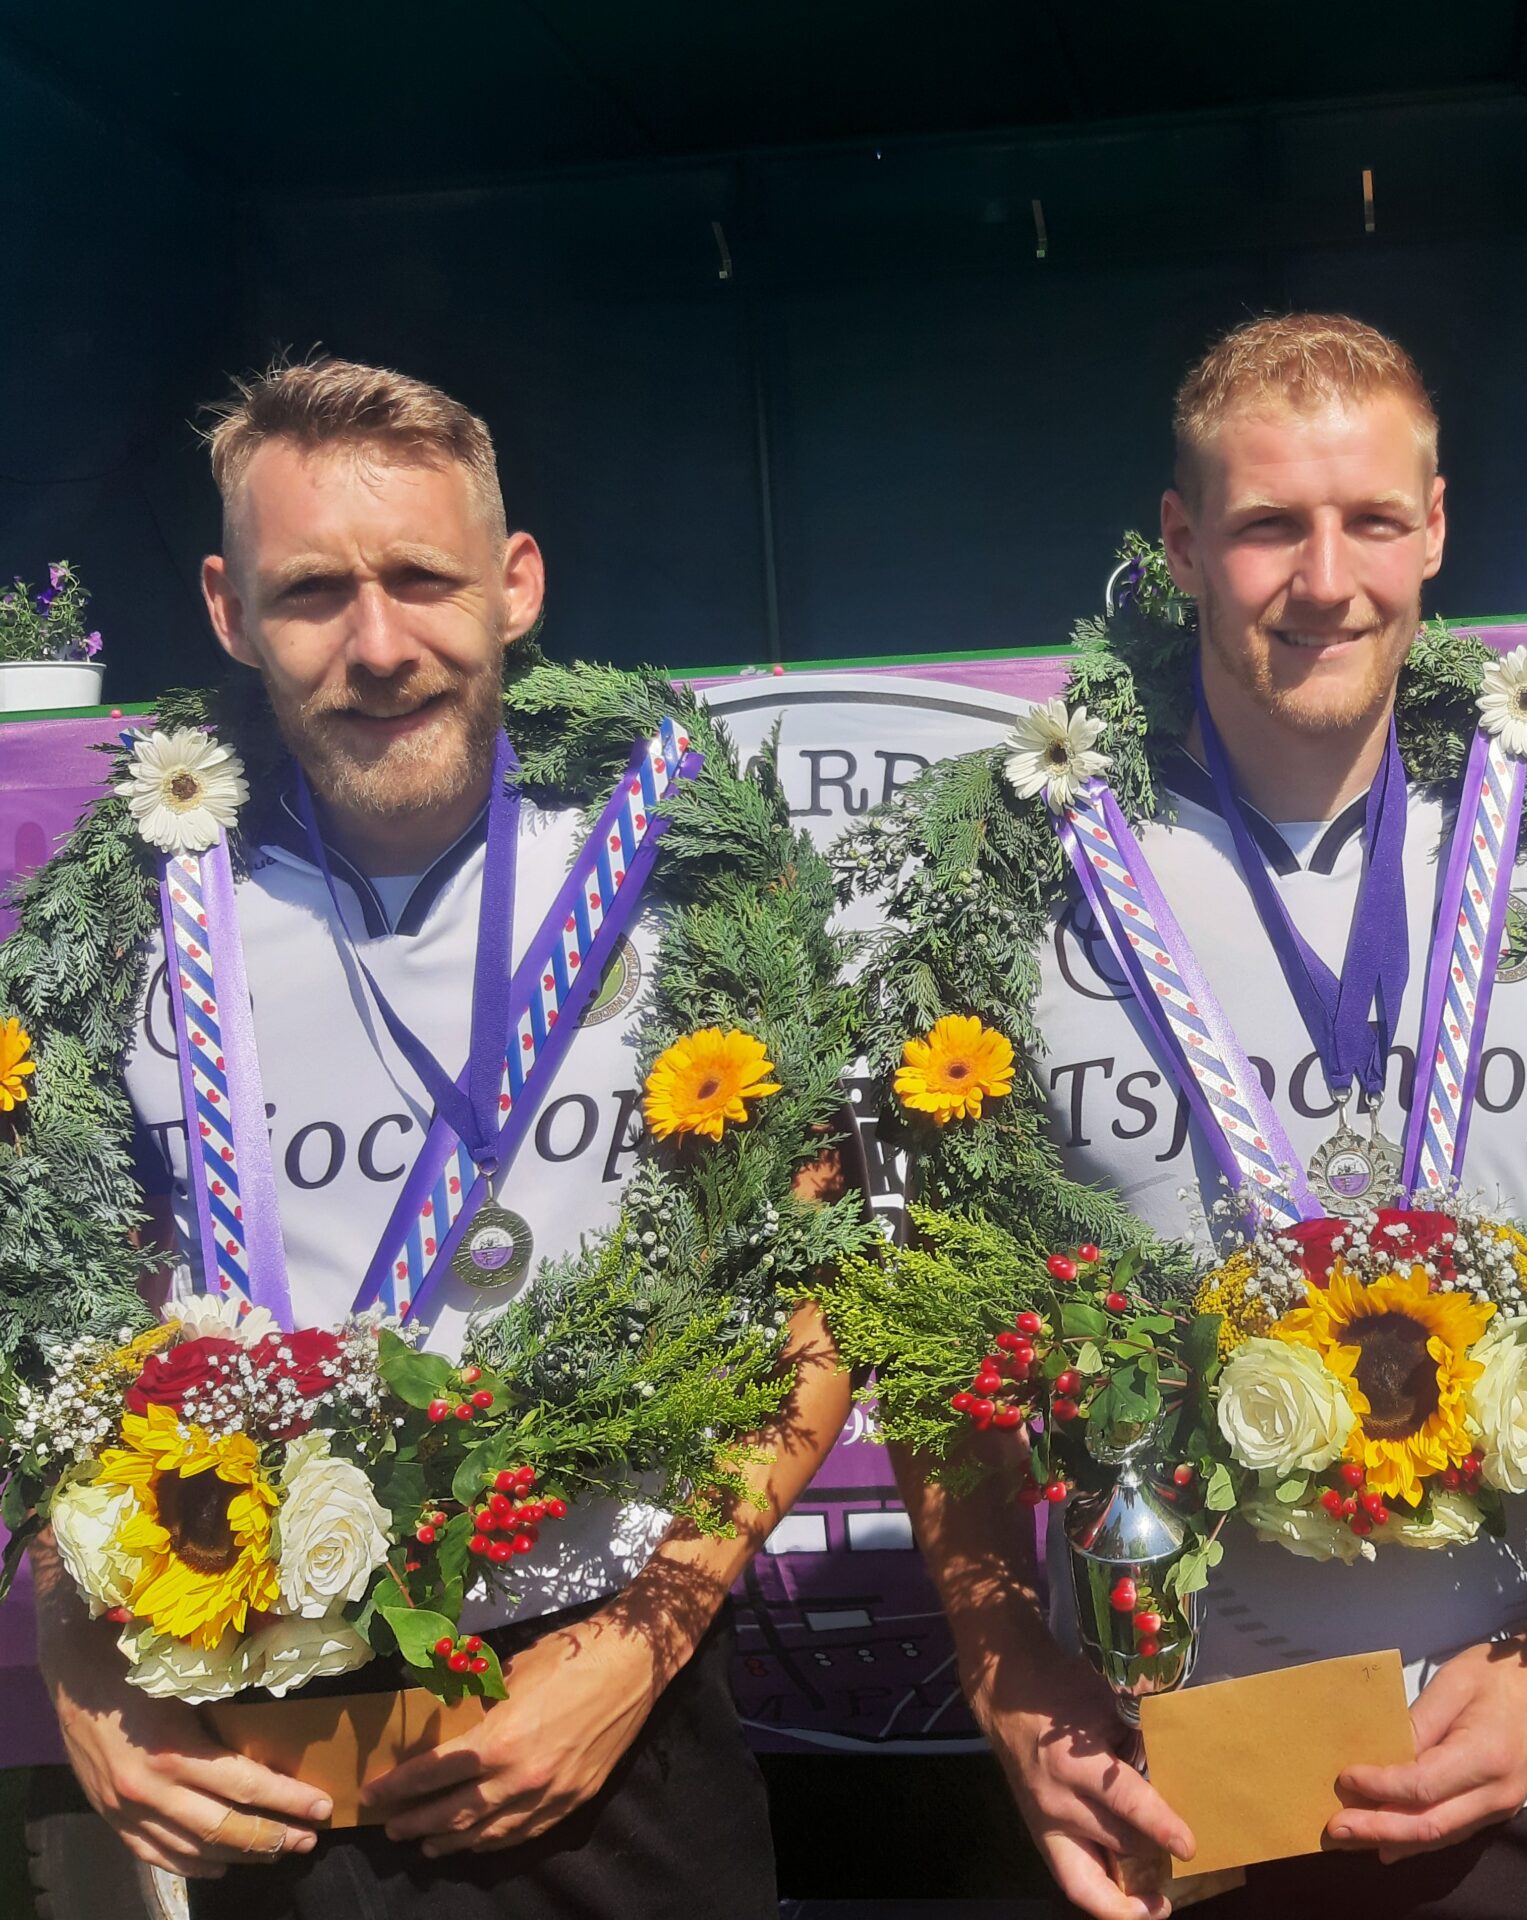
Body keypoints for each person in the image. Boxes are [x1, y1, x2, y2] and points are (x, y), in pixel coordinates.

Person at [30, 359, 850, 1916]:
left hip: (617, 1725)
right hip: (265, 1737)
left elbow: (810, 1316)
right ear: (225, 607)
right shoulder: (134, 929)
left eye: (421, 578)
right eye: (312, 593)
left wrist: (637, 1649)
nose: (379, 644)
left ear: (515, 582)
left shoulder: (681, 889)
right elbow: (54, 1348)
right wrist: (85, 1659)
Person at [891, 315, 1527, 1920]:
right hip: (1157, 1782)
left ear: (1436, 526)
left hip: (1523, 1756)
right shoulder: (1024, 864)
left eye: (1373, 520)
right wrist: (1008, 1665)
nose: (1326, 579)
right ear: (1183, 543)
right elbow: (930, 1327)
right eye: (1268, 525)